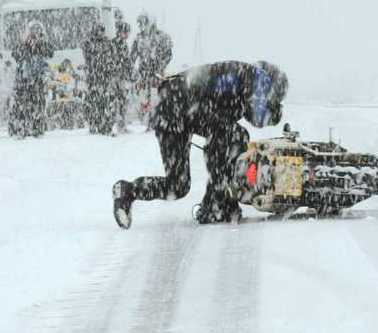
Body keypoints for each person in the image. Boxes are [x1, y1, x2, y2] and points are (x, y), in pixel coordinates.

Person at [111, 60, 289, 229]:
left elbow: (247, 116)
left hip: (168, 107)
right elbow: (258, 117)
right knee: (235, 135)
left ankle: (128, 190)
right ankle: (216, 201)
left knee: (177, 185)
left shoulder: (240, 81)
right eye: (273, 97)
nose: (270, 100)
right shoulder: (258, 74)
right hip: (187, 98)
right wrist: (276, 113)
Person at [10, 20, 54, 138]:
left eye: (37, 31)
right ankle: (21, 128)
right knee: (21, 104)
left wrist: (39, 44)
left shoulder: (43, 45)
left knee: (39, 104)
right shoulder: (22, 45)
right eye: (33, 32)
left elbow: (50, 53)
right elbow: (15, 54)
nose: (35, 34)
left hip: (38, 80)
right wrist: (26, 44)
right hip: (23, 80)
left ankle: (37, 128)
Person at [130, 11, 173, 126]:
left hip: (156, 73)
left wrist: (160, 67)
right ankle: (147, 118)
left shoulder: (162, 37)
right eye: (139, 24)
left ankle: (156, 119)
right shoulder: (138, 38)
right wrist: (130, 69)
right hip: (144, 73)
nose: (140, 26)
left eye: (142, 23)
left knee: (155, 96)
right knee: (143, 96)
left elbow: (168, 55)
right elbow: (132, 56)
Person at [81, 24, 117, 135]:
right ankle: (95, 125)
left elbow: (112, 57)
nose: (99, 32)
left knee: (104, 102)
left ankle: (104, 126)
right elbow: (86, 51)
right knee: (95, 102)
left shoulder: (106, 43)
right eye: (98, 30)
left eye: (101, 30)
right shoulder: (90, 42)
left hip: (102, 78)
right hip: (95, 78)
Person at [113, 21, 134, 134]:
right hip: (120, 77)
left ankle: (119, 124)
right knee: (122, 101)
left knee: (118, 101)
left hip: (115, 76)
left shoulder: (114, 42)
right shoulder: (121, 43)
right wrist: (129, 73)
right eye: (128, 31)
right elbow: (125, 61)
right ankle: (121, 125)